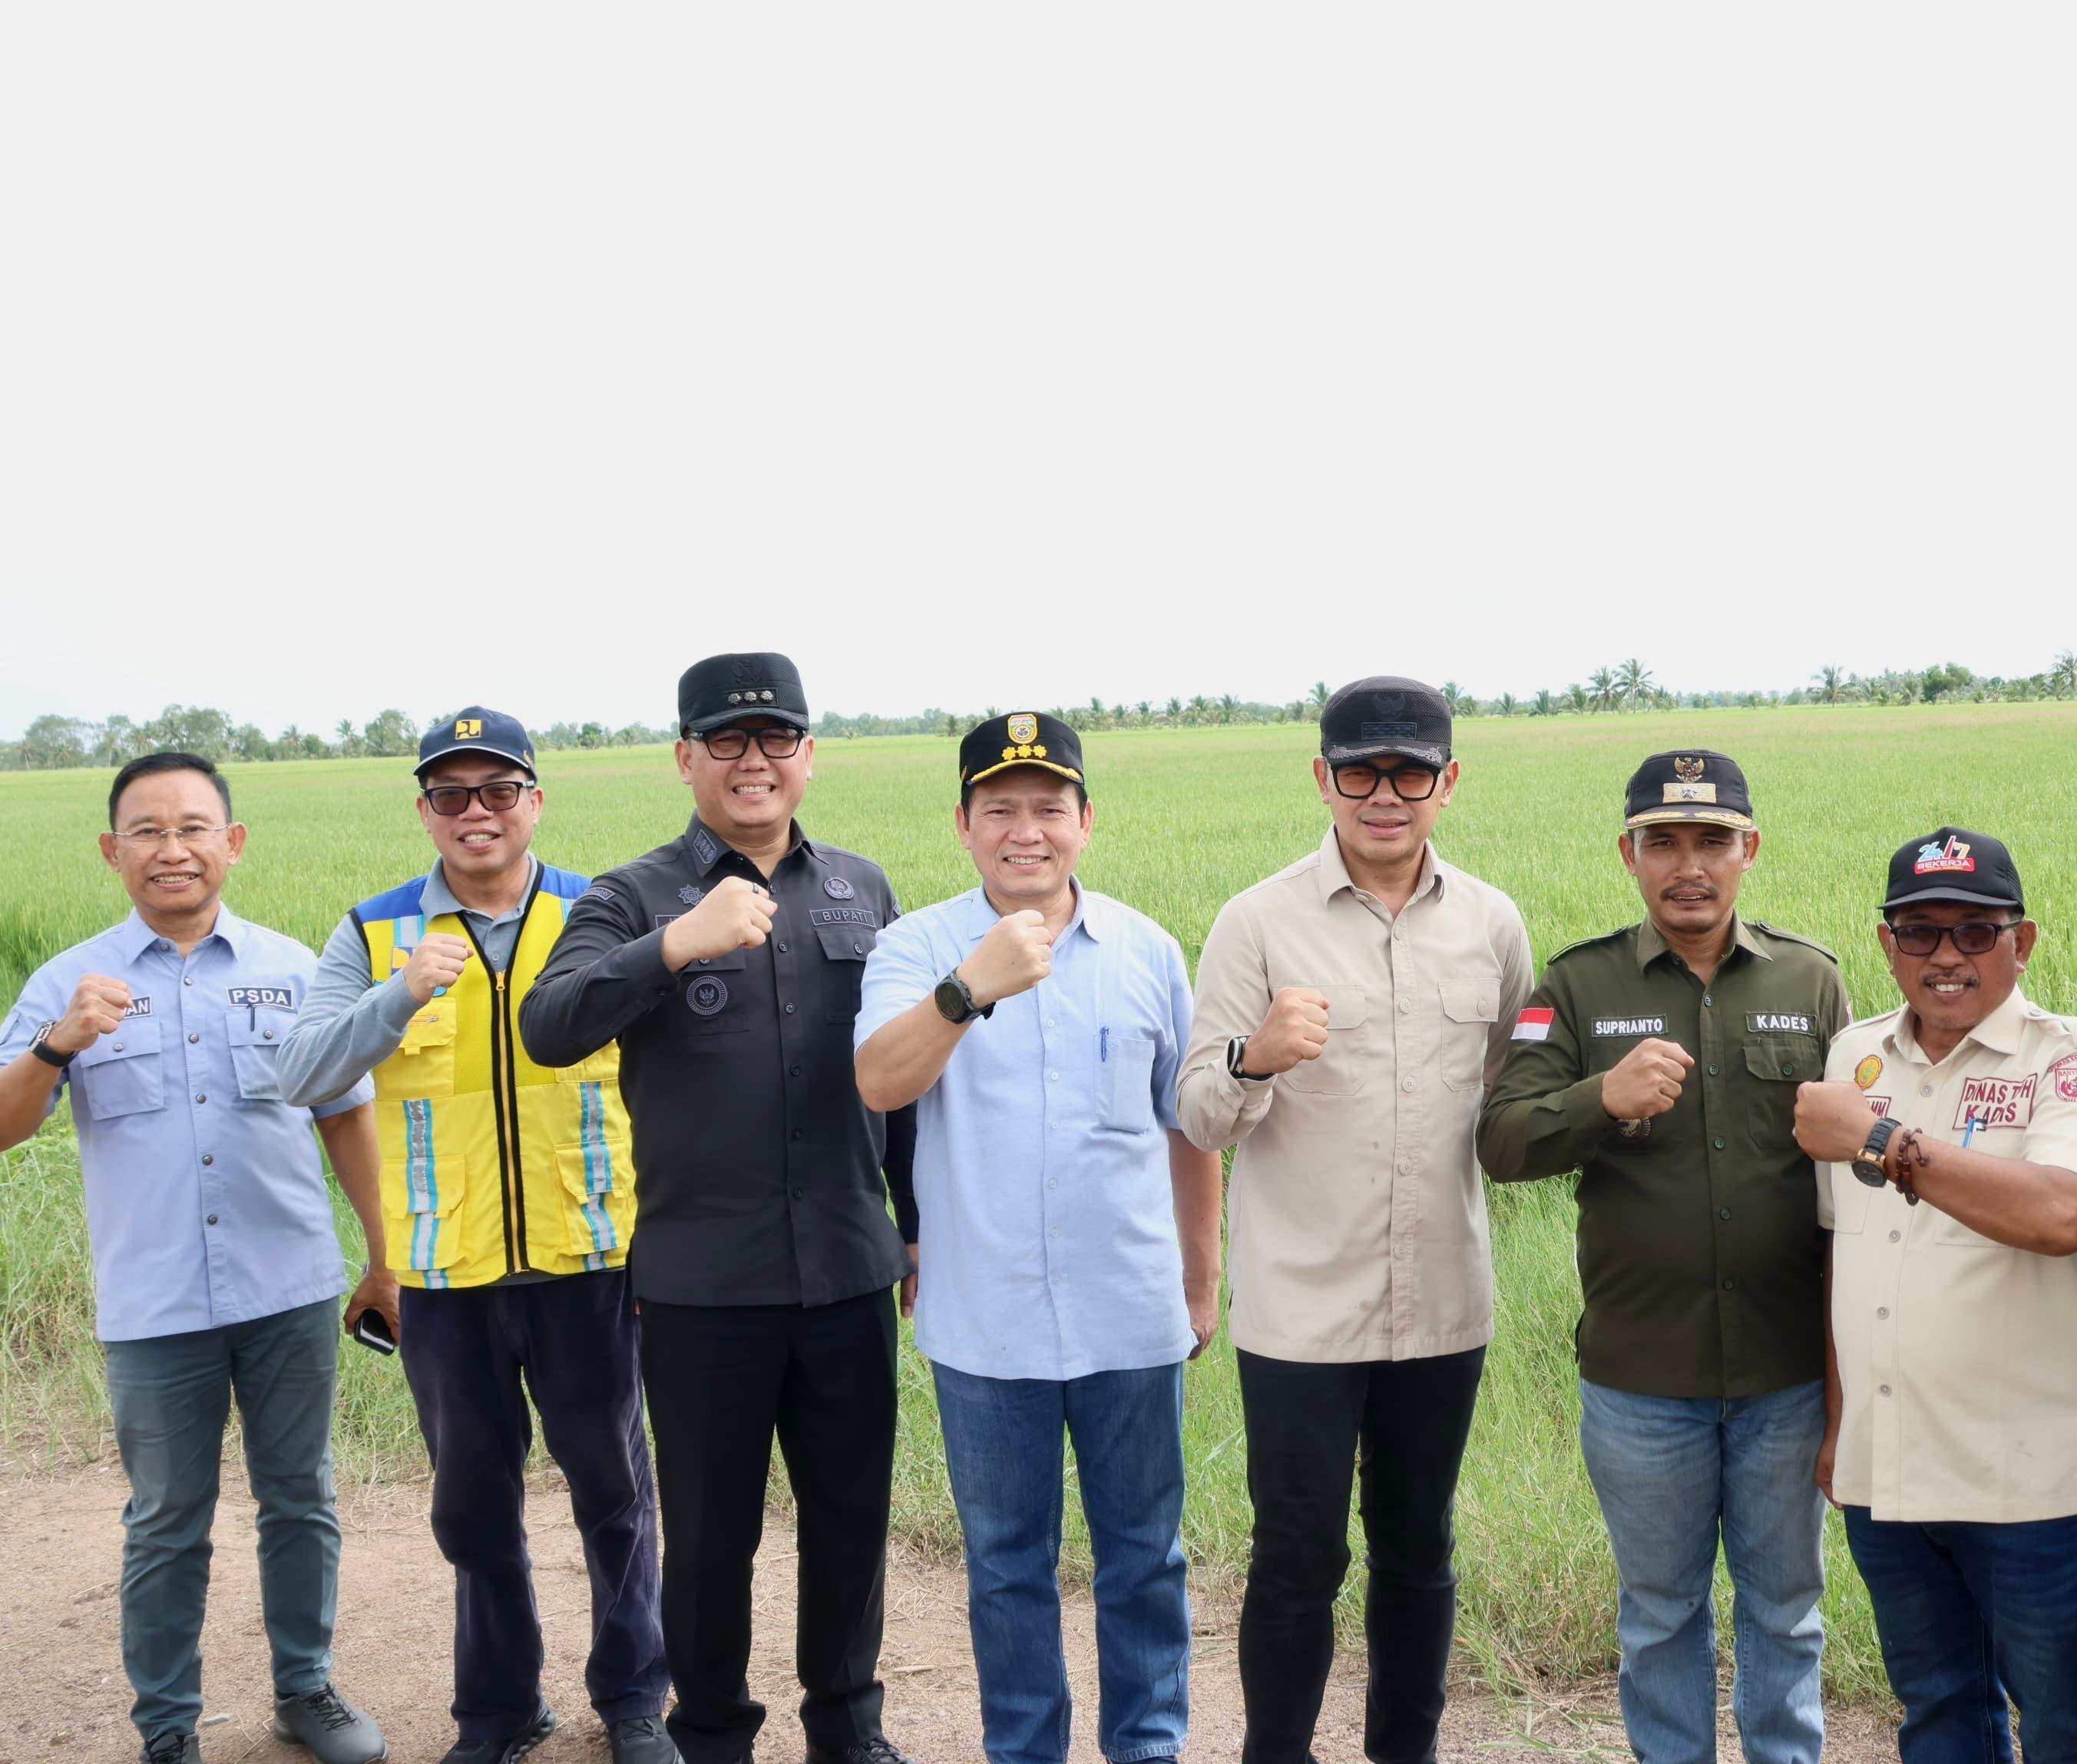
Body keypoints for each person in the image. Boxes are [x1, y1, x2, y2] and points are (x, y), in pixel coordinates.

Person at [519, 654, 918, 1764]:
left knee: (850, 1522)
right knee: (708, 1540)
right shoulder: (631, 894)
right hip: (704, 1288)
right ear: (685, 756)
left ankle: (849, 1729)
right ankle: (711, 1737)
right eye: (728, 740)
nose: (755, 760)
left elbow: (902, 1079)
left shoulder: (863, 890)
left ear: (807, 755)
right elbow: (548, 1025)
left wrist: (918, 1222)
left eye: (776, 737)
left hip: (847, 1269)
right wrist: (671, 945)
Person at [280, 707, 671, 1764]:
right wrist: (396, 997)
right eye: (451, 795)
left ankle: (636, 1701)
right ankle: (499, 1712)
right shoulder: (374, 932)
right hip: (445, 1273)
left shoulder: (600, 913)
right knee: (474, 1510)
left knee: (616, 1493)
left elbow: (674, 1077)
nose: (476, 813)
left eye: (499, 790)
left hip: (591, 1259)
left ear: (536, 801)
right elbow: (301, 1072)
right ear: (425, 813)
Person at [0, 753, 387, 1764]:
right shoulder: (67, 984)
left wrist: (385, 1258)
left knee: (300, 1494)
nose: (172, 849)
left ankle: (306, 1690)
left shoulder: (297, 970)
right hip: (153, 1301)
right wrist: (56, 1047)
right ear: (112, 850)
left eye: (193, 827)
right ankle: (167, 1730)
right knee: (168, 1519)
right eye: (147, 830)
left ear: (232, 841)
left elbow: (347, 1117)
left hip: (288, 1286)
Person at [1176, 677, 1532, 1764]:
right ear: (1322, 779)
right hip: (1300, 1315)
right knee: (1296, 1556)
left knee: (1418, 1550)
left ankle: (1404, 1754)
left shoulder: (1492, 924)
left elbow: (1517, 1103)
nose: (1385, 795)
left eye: (1410, 772)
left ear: (1448, 782)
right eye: (1360, 772)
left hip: (1442, 1304)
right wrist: (1255, 1056)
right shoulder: (1258, 921)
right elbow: (1196, 1111)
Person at [853, 710, 1219, 1764]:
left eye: (1048, 809)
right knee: (1008, 1564)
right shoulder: (918, 946)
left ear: (1086, 822)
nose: (1027, 831)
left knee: (1146, 1559)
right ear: (964, 825)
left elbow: (1189, 1121)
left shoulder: (1146, 949)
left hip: (1131, 1315)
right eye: (1000, 809)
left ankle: (1147, 1747)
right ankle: (1026, 1751)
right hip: (986, 1324)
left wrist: (1202, 1281)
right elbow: (880, 1079)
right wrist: (971, 988)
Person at [1477, 750, 1847, 1764]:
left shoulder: (1810, 980)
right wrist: (1603, 1097)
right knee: (1658, 1617)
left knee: (1786, 1612)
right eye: (1665, 842)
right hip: (1643, 1384)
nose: (1691, 864)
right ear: (1630, 854)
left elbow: (1855, 1161)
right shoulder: (1578, 983)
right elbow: (1501, 1141)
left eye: (1714, 840)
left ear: (1750, 850)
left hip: (1784, 1376)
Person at [1791, 826, 2077, 1762]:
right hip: (1886, 1464)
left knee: (2067, 1730)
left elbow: (2063, 1213)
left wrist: (1881, 1143)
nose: (1947, 955)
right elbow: (1840, 1254)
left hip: (2032, 1478)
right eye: (1921, 931)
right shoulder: (1853, 1056)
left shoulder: (2067, 1055)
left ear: (2023, 943)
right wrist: (1837, 1418)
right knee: (1938, 1714)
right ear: (1887, 944)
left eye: (1976, 932)